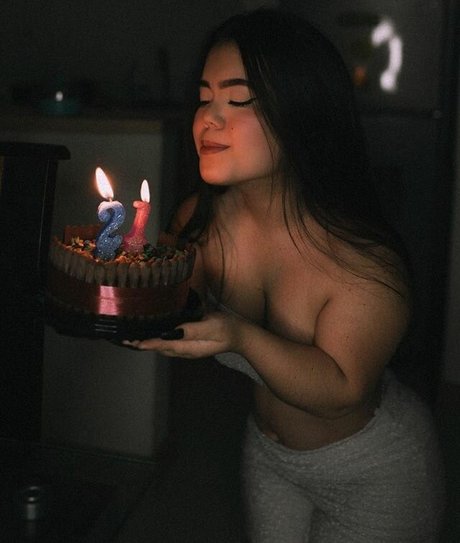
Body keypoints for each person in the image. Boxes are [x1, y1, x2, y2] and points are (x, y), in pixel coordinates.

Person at [125, 8, 445, 542]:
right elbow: (169, 304)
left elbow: (342, 389)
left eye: (238, 100)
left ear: (301, 114)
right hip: (269, 455)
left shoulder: (362, 262)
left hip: (375, 472)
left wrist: (238, 335)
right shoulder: (199, 222)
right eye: (204, 97)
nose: (209, 119)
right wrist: (123, 286)